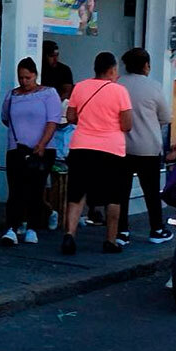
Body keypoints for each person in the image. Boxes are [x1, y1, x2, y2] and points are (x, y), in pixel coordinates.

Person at [62, 52, 133, 256]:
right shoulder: (120, 92)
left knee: (76, 194)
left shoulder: (80, 87)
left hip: (81, 146)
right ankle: (110, 240)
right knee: (114, 196)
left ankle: (69, 234)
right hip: (111, 149)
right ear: (111, 70)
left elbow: (71, 116)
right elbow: (127, 124)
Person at [0, 57, 62, 246]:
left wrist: (42, 143)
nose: (24, 82)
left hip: (41, 149)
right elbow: (5, 118)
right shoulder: (13, 96)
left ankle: (33, 226)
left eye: (27, 77)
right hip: (17, 148)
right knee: (15, 188)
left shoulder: (48, 94)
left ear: (35, 75)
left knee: (36, 189)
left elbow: (53, 121)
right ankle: (12, 226)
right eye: (21, 78)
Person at [118, 48, 174, 245]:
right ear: (145, 65)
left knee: (121, 191)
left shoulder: (117, 84)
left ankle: (121, 231)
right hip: (148, 147)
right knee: (151, 191)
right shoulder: (154, 87)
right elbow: (166, 117)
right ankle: (156, 229)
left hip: (121, 146)